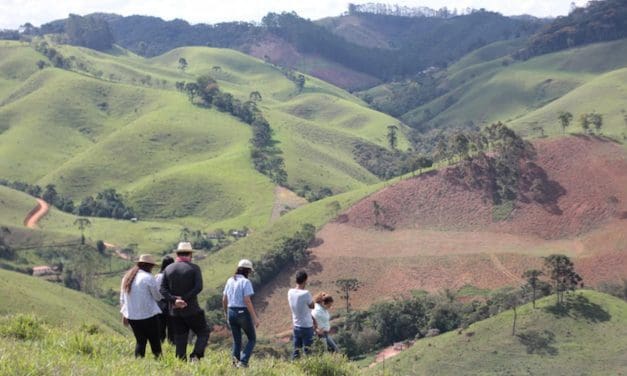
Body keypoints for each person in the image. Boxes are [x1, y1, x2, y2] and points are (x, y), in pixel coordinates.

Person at [160, 242, 210, 361]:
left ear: (177, 254)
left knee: (180, 339)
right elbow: (198, 287)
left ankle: (181, 365)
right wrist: (184, 299)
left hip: (175, 311)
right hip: (192, 309)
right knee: (203, 332)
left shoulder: (168, 268)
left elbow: (162, 289)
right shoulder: (194, 268)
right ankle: (196, 355)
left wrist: (174, 300)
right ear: (190, 254)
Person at [120, 254, 163, 358]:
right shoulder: (148, 278)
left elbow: (122, 299)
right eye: (152, 266)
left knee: (140, 341)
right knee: (155, 341)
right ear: (148, 266)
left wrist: (124, 314)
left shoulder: (127, 277)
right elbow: (157, 297)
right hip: (148, 315)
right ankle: (160, 363)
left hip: (132, 316)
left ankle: (139, 363)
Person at [222, 259, 260, 368]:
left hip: (231, 311)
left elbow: (224, 299)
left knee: (237, 340)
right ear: (247, 271)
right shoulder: (245, 282)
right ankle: (243, 362)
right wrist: (255, 318)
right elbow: (247, 300)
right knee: (252, 339)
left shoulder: (230, 280)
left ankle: (235, 364)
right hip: (242, 312)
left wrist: (226, 313)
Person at [287, 270, 316, 360]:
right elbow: (312, 306)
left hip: (296, 325)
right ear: (305, 280)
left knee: (296, 351)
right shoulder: (306, 293)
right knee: (308, 352)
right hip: (307, 326)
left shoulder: (290, 292)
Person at [155, 255, 175, 344]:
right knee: (172, 328)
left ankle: (160, 345)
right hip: (171, 303)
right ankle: (171, 345)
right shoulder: (174, 276)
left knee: (160, 328)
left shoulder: (157, 276)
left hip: (159, 303)